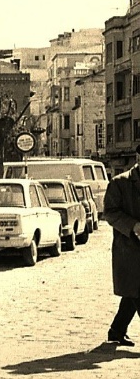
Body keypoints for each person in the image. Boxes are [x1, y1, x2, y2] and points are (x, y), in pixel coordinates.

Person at [103, 144, 140, 346]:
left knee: (132, 292)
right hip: (129, 248)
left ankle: (117, 331)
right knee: (136, 289)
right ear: (138, 157)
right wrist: (133, 226)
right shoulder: (120, 183)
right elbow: (110, 212)